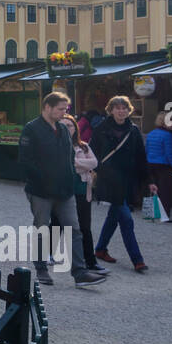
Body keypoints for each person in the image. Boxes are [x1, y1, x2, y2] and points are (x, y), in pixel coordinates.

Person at [17, 93, 106, 287]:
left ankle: (80, 272)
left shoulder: (63, 130)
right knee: (42, 228)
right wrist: (42, 180)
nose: (65, 112)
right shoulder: (31, 129)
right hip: (41, 190)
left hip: (65, 190)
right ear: (47, 107)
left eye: (66, 109)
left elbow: (68, 160)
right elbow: (25, 161)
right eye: (60, 109)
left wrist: (68, 182)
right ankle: (41, 269)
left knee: (74, 229)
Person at [90, 95, 157, 272]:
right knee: (126, 220)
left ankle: (100, 249)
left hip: (127, 181)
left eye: (124, 108)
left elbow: (141, 158)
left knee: (114, 217)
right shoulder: (101, 129)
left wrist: (149, 181)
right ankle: (138, 260)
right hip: (109, 180)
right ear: (110, 110)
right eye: (117, 108)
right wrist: (94, 172)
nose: (121, 111)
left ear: (129, 111)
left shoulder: (133, 130)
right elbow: (92, 153)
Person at [63, 114, 107, 274]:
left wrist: (74, 163)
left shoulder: (84, 147)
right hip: (61, 191)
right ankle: (47, 255)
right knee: (57, 224)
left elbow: (94, 163)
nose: (68, 128)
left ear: (76, 128)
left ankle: (90, 261)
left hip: (82, 190)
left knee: (84, 227)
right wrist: (82, 164)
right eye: (64, 125)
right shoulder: (53, 145)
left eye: (70, 125)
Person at [145, 111, 172, 221]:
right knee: (165, 191)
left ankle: (151, 214)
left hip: (150, 164)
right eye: (171, 121)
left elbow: (146, 150)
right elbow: (170, 154)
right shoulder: (168, 136)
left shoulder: (151, 133)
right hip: (163, 166)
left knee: (153, 189)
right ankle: (164, 216)